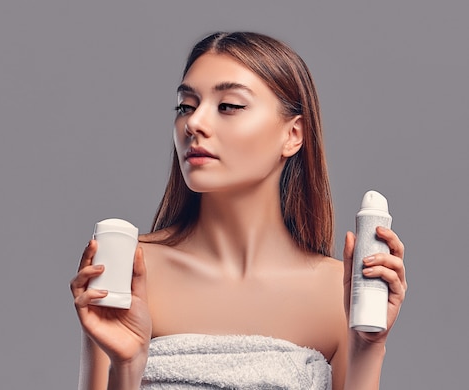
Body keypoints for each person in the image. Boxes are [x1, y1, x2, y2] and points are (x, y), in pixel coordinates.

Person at [70, 31, 407, 389]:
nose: (195, 123)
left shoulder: (337, 294)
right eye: (186, 106)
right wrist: (126, 366)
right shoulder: (128, 273)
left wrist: (369, 347)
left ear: (293, 134)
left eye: (228, 106)